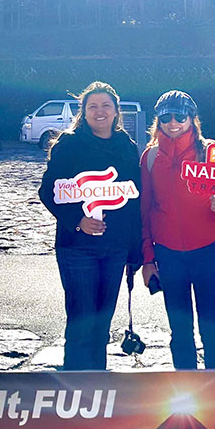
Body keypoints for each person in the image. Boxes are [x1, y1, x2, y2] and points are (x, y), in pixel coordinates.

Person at [140, 90, 215, 370]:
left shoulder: (213, 152)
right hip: (168, 254)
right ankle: (185, 392)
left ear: (192, 118)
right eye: (166, 116)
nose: (173, 122)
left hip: (207, 251)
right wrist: (148, 258)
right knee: (180, 331)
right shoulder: (150, 158)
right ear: (158, 120)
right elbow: (145, 211)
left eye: (180, 116)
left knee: (212, 326)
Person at [39, 81, 142, 371]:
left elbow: (136, 200)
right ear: (83, 112)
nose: (100, 111)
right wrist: (78, 221)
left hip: (115, 248)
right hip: (77, 249)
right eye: (93, 106)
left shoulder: (126, 145)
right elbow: (48, 191)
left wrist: (135, 250)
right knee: (81, 320)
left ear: (116, 111)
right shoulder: (69, 144)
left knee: (102, 322)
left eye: (106, 105)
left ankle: (96, 385)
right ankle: (74, 383)